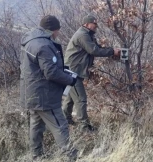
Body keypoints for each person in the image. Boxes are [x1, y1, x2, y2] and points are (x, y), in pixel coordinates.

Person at [20, 15, 77, 160]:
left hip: (32, 93)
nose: (58, 33)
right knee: (60, 125)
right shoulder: (44, 45)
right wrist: (70, 79)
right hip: (44, 95)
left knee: (36, 125)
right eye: (58, 30)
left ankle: (36, 155)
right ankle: (71, 156)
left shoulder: (31, 41)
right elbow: (51, 72)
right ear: (52, 30)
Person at [62, 15, 121, 132]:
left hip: (72, 70)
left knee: (71, 97)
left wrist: (111, 50)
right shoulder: (82, 35)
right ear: (86, 24)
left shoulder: (87, 35)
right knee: (81, 99)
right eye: (94, 24)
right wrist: (112, 51)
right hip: (72, 72)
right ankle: (84, 127)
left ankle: (65, 120)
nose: (96, 27)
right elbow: (94, 50)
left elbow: (97, 47)